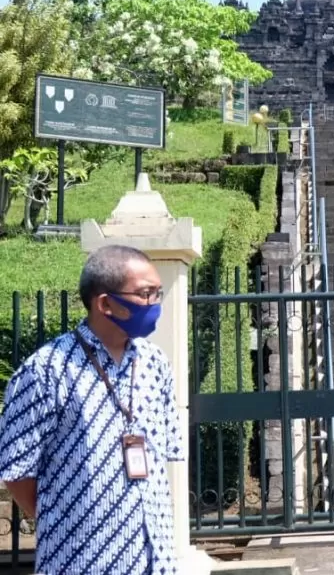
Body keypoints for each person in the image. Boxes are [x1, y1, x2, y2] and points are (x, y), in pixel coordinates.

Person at [0, 245, 182, 575]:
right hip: (81, 561)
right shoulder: (46, 371)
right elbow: (16, 473)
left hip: (155, 559)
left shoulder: (155, 364)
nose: (155, 304)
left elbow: (161, 459)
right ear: (105, 303)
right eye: (145, 294)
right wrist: (72, 520)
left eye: (158, 293)